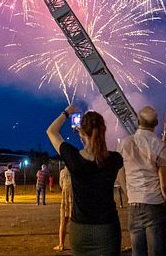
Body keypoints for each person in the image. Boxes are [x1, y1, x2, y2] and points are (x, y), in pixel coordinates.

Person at [46, 106, 124, 256]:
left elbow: (51, 131)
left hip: (80, 230)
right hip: (108, 227)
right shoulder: (114, 159)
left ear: (80, 132)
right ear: (103, 131)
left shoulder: (73, 157)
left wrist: (67, 112)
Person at [117, 106, 166, 256]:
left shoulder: (125, 143)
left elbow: (120, 175)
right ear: (156, 123)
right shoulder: (159, 145)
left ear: (138, 121)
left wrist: (129, 194)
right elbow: (165, 185)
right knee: (157, 252)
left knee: (138, 252)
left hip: (134, 205)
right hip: (155, 205)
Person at [53, 165, 73, 251]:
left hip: (65, 197)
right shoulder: (76, 170)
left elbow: (61, 184)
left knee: (63, 222)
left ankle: (61, 245)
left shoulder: (62, 172)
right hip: (74, 197)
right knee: (75, 223)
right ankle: (75, 246)